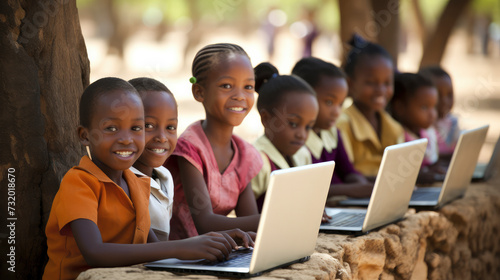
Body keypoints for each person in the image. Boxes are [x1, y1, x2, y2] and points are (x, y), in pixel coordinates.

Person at [43, 77, 253, 280]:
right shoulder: (79, 183)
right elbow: (94, 253)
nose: (126, 139)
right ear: (84, 135)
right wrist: (184, 247)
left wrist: (212, 243)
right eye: (111, 129)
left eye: (136, 128)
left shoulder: (136, 183)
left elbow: (151, 249)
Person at [164, 43, 263, 240]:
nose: (240, 96)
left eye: (248, 87)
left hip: (216, 252)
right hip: (180, 256)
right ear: (199, 92)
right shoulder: (189, 148)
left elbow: (250, 219)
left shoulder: (245, 154)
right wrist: (276, 217)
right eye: (226, 86)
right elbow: (206, 224)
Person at [292, 57, 373, 199]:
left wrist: (361, 184)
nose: (337, 112)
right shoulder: (294, 140)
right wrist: (353, 189)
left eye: (341, 104)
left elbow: (348, 172)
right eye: (329, 102)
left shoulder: (332, 133)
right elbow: (311, 189)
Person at [250, 62, 318, 211]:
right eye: (293, 124)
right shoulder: (256, 161)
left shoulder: (303, 154)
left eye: (308, 127)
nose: (302, 134)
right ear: (266, 119)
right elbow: (241, 216)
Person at [336, 34, 404, 178]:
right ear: (350, 84)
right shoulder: (342, 125)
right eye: (371, 83)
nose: (381, 90)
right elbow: (346, 175)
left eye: (387, 83)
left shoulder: (393, 127)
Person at [389, 73, 444, 184]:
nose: (432, 114)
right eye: (424, 107)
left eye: (434, 106)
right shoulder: (397, 136)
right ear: (399, 107)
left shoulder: (428, 133)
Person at [419, 66, 460, 160]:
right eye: (438, 95)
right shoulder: (422, 128)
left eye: (449, 95)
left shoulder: (453, 123)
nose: (445, 101)